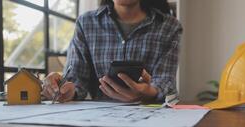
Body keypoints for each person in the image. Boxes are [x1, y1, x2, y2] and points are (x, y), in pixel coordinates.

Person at [42, 0, 183, 103]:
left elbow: (165, 83)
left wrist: (149, 92)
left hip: (151, 119)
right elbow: (76, 80)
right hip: (98, 122)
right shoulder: (86, 23)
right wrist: (65, 89)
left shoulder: (169, 26)